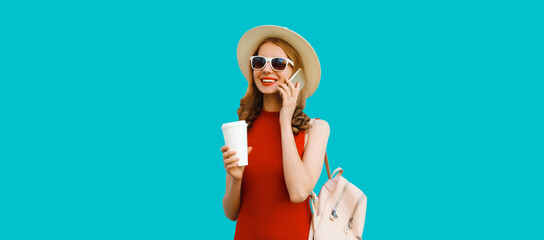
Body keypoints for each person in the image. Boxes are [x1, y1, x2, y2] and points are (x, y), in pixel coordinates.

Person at [220, 25, 330, 240]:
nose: (267, 70)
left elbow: (298, 192)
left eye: (279, 63)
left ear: (296, 74)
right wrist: (235, 178)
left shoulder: (316, 128)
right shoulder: (242, 126)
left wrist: (284, 120)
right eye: (259, 62)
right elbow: (231, 213)